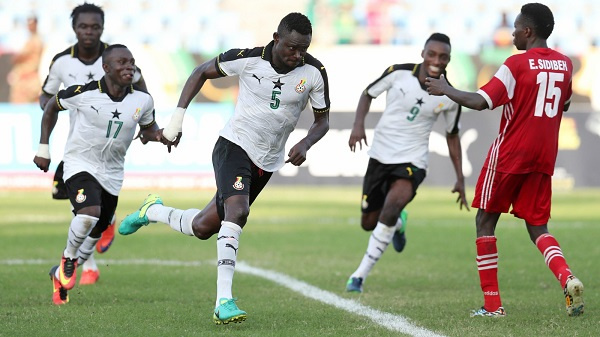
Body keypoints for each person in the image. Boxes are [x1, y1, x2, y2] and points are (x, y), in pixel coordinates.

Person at [119, 12, 330, 325]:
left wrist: (307, 142)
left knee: (204, 227)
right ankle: (224, 302)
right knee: (238, 212)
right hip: (234, 146)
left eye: (303, 49)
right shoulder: (247, 59)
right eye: (292, 48)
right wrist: (176, 119)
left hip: (267, 162)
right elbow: (200, 72)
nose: (297, 55)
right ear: (276, 39)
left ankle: (152, 211)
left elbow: (323, 119)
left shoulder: (313, 72)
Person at [425, 3, 584, 317]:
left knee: (485, 221)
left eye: (515, 28)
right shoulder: (565, 64)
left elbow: (481, 101)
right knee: (538, 226)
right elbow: (563, 104)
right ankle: (568, 278)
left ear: (528, 31)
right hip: (544, 156)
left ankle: (493, 306)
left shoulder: (516, 64)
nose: (511, 34)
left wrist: (446, 88)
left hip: (511, 153)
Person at [33, 44, 162, 305]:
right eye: (122, 63)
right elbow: (50, 108)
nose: (129, 67)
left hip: (113, 172)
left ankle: (59, 276)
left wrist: (161, 136)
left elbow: (148, 129)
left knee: (99, 226)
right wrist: (44, 148)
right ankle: (68, 258)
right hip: (79, 164)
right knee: (88, 214)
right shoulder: (83, 93)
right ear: (106, 68)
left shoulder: (143, 100)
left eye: (132, 63)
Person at [345, 33, 470, 293]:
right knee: (369, 223)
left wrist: (460, 177)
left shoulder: (450, 97)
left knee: (391, 206)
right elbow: (368, 94)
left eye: (443, 56)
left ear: (449, 60)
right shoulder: (398, 73)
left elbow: (452, 135)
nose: (437, 60)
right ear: (423, 53)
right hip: (380, 156)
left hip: (413, 161)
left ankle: (359, 276)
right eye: (432, 54)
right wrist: (358, 125)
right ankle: (399, 223)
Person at [38, 3, 147, 285]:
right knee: (82, 208)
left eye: (95, 27)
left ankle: (84, 259)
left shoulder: (120, 59)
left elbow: (142, 95)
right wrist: (58, 112)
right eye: (83, 27)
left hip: (111, 146)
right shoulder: (62, 61)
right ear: (74, 29)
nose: (89, 32)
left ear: (102, 28)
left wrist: (148, 125)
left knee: (90, 211)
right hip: (77, 145)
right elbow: (47, 96)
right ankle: (83, 263)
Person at [7, 15, 43, 103]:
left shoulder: (35, 40)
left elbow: (20, 57)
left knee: (21, 105)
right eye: (28, 24)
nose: (29, 26)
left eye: (31, 24)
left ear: (36, 24)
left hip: (28, 80)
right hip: (24, 78)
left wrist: (16, 58)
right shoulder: (30, 39)